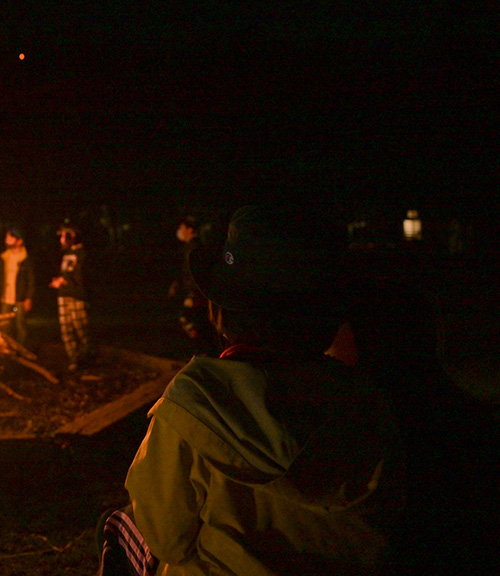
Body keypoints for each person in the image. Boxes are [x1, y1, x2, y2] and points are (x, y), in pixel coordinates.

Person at [99, 205, 405, 575]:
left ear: (221, 312)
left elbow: (166, 536)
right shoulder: (368, 400)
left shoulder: (197, 399)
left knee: (122, 528)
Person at [168, 215, 219, 356]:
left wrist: (194, 295)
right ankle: (206, 354)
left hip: (196, 297)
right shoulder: (192, 247)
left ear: (190, 229)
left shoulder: (193, 248)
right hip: (197, 295)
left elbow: (195, 274)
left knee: (194, 325)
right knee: (200, 326)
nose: (179, 231)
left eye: (182, 228)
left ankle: (206, 355)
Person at [49, 221, 91, 372]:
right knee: (66, 330)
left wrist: (65, 281)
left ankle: (86, 356)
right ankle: (73, 359)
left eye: (63, 236)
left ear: (72, 236)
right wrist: (59, 280)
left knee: (80, 329)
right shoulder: (67, 254)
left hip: (76, 297)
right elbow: (66, 273)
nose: (61, 240)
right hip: (63, 296)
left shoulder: (82, 254)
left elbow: (81, 278)